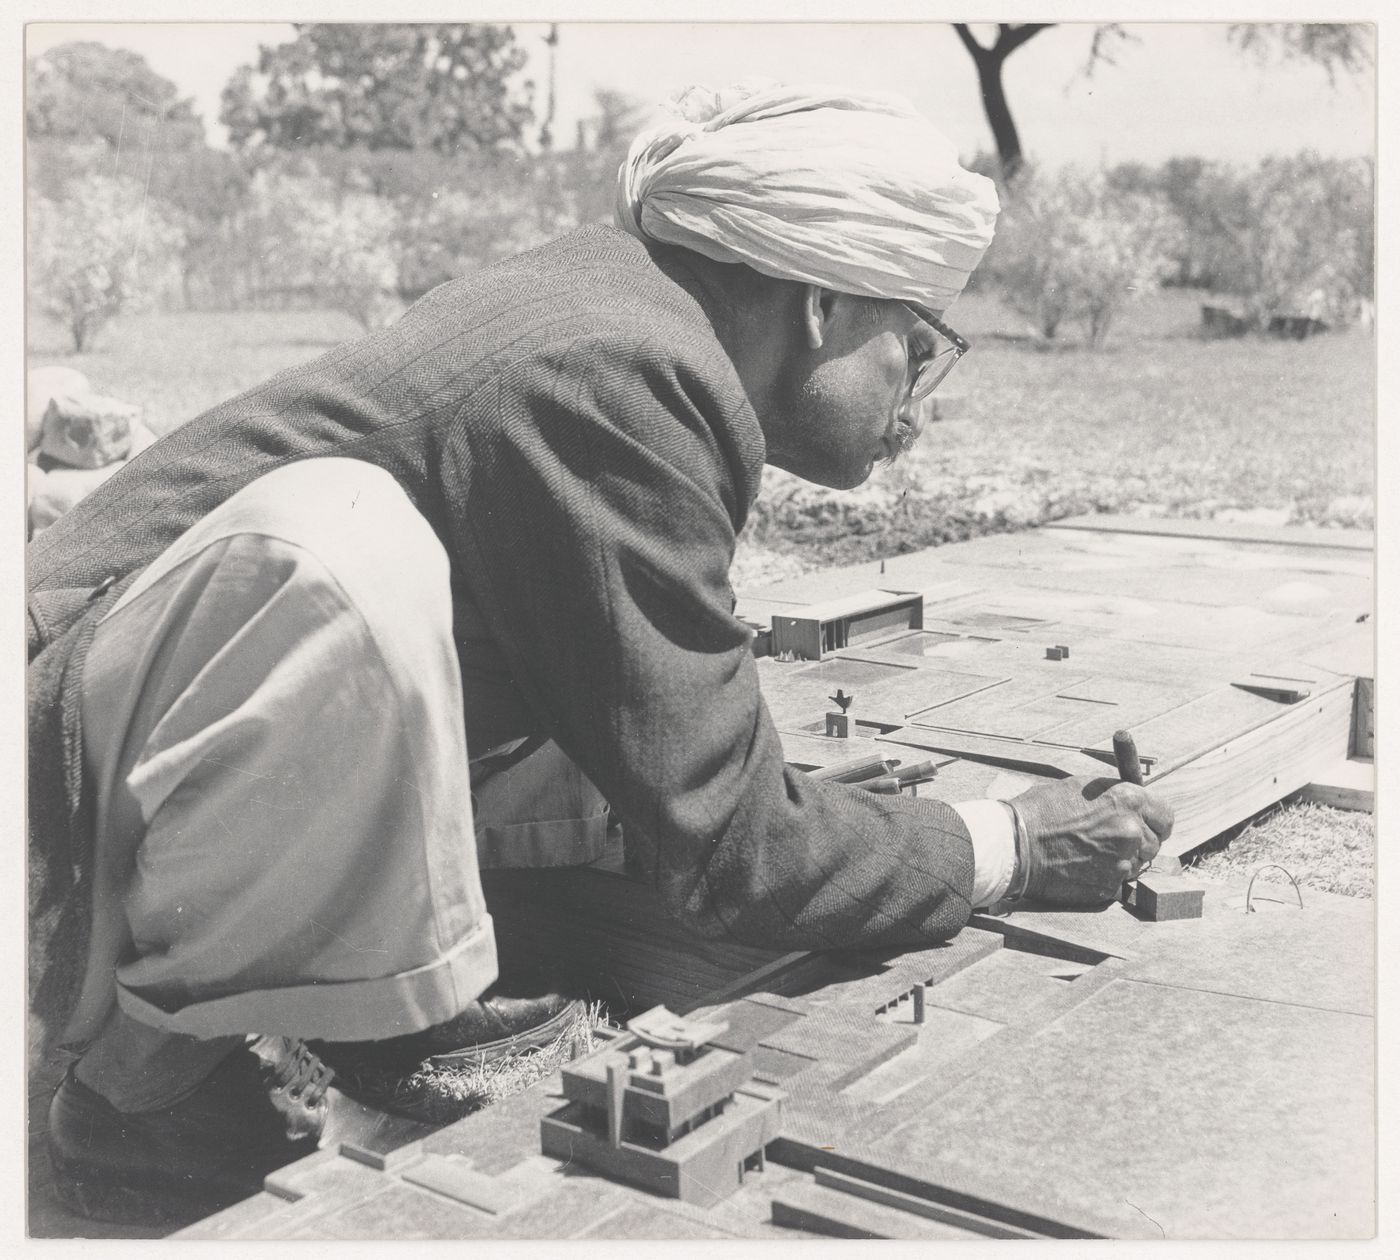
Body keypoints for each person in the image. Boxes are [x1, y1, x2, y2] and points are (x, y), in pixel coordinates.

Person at [27, 82, 1174, 1223]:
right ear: (819, 304)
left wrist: (772, 803)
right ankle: (148, 1095)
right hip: (45, 816)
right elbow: (744, 858)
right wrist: (1006, 843)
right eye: (917, 347)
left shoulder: (612, 311)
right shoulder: (619, 371)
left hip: (107, 743)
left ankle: (240, 1035)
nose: (918, 402)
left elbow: (637, 732)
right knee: (346, 549)